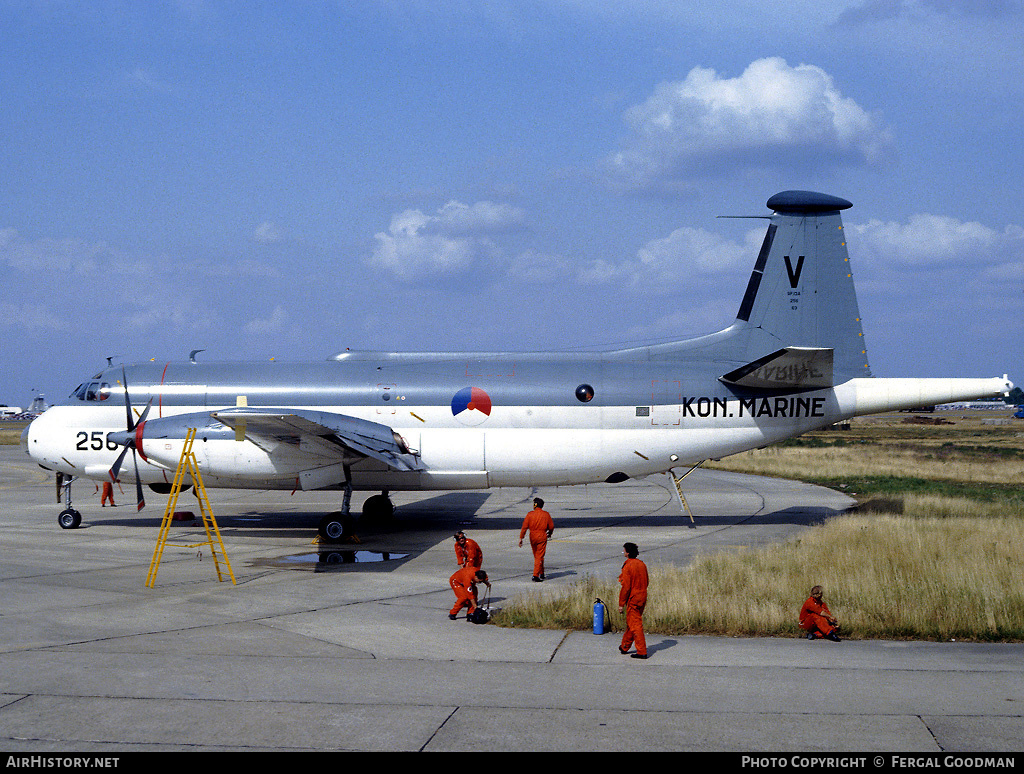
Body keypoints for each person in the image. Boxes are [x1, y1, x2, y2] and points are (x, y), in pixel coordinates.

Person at [518, 497, 554, 581]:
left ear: (535, 505)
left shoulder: (530, 514)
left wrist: (521, 538)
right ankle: (535, 575)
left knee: (537, 556)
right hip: (541, 536)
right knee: (539, 556)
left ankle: (541, 572)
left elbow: (524, 527)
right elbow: (551, 526)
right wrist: (550, 533)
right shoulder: (546, 514)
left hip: (532, 536)